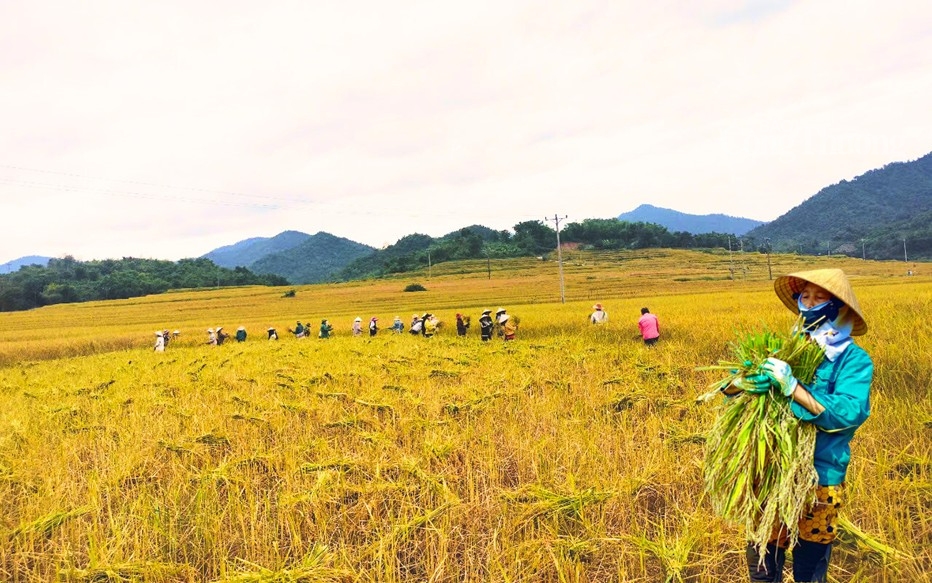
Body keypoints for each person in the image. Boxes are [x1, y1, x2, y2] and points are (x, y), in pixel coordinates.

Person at [724, 268, 873, 583]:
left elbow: (850, 412)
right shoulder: (785, 351)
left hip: (820, 479)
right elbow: (733, 392)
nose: (810, 302)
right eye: (805, 296)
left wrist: (795, 389)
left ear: (839, 307)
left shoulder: (853, 360)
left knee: (809, 568)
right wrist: (741, 383)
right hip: (772, 473)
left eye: (820, 297)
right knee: (763, 563)